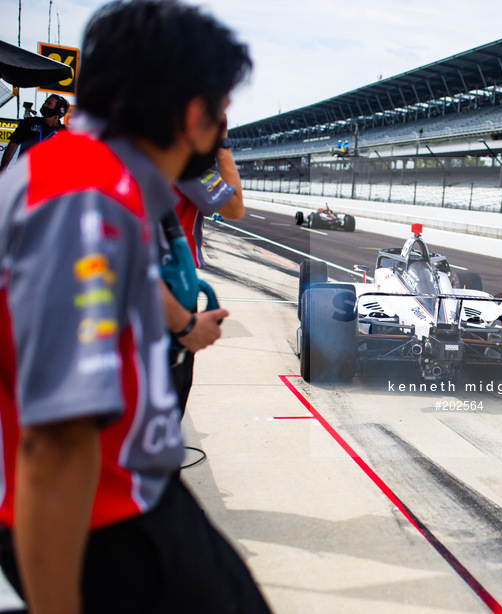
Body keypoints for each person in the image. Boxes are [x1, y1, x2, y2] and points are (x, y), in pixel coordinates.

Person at [0, 2, 271, 612]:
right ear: (194, 115)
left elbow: (123, 286)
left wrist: (184, 324)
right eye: (222, 109)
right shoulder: (86, 203)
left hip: (136, 492)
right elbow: (56, 443)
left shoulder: (90, 179)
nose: (224, 126)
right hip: (102, 514)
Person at [169, 128, 245, 414]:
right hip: (173, 284)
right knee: (172, 386)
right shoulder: (186, 163)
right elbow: (234, 207)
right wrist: (222, 144)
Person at [0, 94, 69, 172]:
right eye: (45, 102)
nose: (44, 105)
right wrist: (2, 169)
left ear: (59, 110)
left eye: (49, 104)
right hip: (23, 174)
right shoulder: (29, 122)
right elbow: (12, 146)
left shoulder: (65, 133)